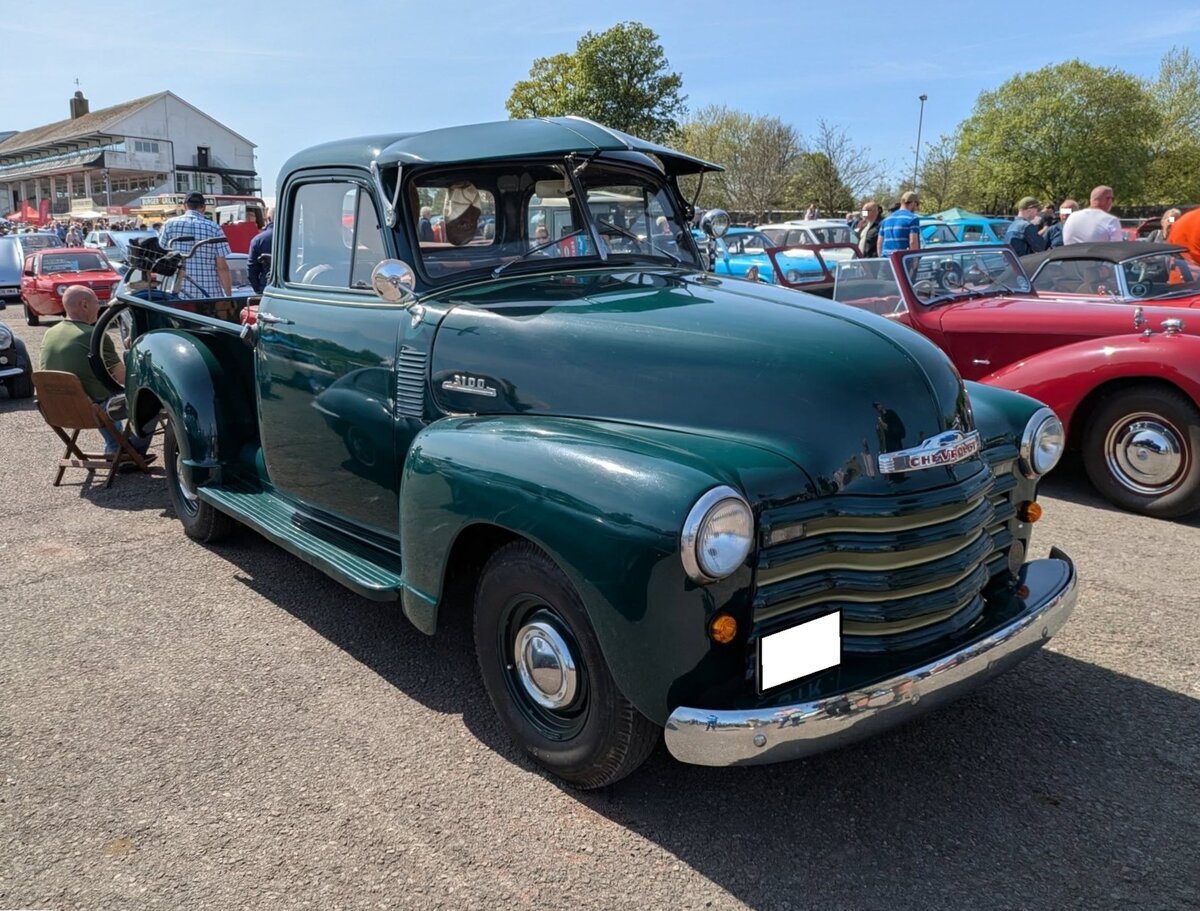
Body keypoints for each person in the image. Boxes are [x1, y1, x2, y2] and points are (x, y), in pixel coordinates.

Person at [39, 286, 153, 461]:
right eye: (97, 304)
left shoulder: (50, 333)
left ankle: (115, 447)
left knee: (95, 393)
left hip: (58, 409)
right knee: (150, 401)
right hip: (93, 411)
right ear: (84, 305)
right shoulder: (94, 336)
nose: (100, 309)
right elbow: (123, 379)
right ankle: (131, 452)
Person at [159, 191, 232, 299]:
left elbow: (161, 254)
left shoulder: (169, 224)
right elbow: (222, 266)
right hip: (208, 293)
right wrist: (228, 294)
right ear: (203, 207)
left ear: (184, 206)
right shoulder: (214, 228)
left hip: (175, 291)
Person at [879, 191, 921, 255]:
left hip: (886, 261)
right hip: (902, 260)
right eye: (917, 204)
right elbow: (913, 242)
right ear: (913, 203)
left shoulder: (886, 220)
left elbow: (879, 243)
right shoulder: (912, 219)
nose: (916, 208)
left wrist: (881, 258)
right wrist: (914, 261)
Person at [247, 207, 274, 294]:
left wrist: (258, 289)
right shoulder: (297, 237)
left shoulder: (258, 240)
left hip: (267, 287)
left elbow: (252, 268)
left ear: (269, 219)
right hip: (293, 287)